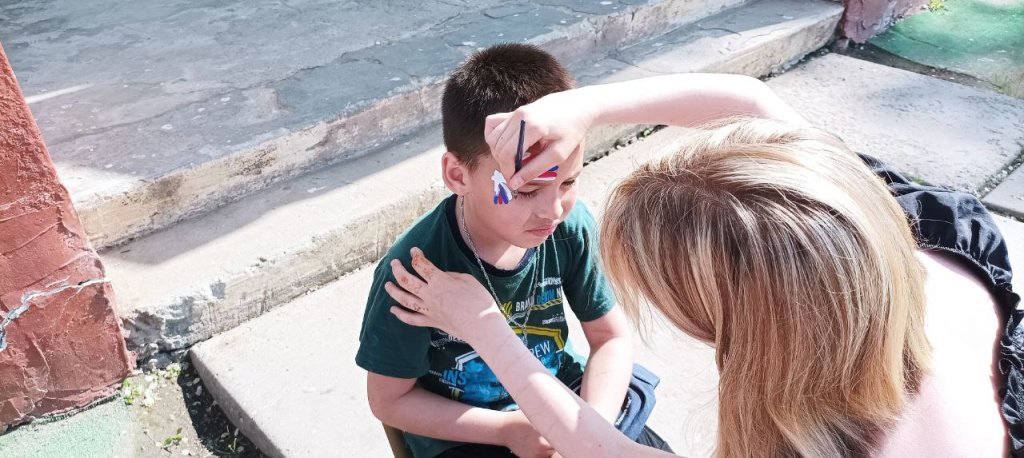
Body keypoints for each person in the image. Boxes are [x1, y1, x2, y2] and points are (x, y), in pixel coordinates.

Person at [383, 73, 1020, 457]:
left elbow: (603, 448)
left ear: (755, 331)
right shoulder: (911, 232)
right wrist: (581, 108)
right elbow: (748, 102)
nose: (553, 211)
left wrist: (485, 327)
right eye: (526, 189)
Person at [355, 43, 672, 458]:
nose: (553, 209)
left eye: (568, 182)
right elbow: (390, 401)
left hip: (569, 401)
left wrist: (590, 431)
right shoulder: (414, 272)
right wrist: (507, 429)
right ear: (457, 174)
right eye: (525, 190)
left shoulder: (570, 228)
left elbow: (610, 338)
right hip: (470, 432)